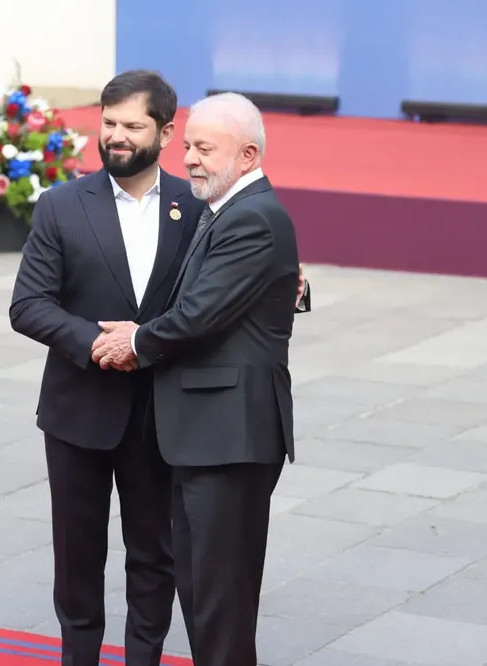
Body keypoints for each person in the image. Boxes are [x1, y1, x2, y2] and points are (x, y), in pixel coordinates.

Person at [92, 92, 306, 666]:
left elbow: (198, 315)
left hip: (229, 439)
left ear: (248, 154)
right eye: (187, 146)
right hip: (206, 437)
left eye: (204, 149)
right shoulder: (224, 209)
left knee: (220, 599)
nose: (188, 158)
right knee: (202, 589)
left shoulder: (252, 218)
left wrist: (135, 341)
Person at [8, 70, 204, 666]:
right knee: (77, 555)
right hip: (78, 413)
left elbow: (213, 301)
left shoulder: (197, 208)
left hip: (159, 415)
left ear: (165, 133)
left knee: (155, 555)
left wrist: (292, 289)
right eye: (109, 123)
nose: (116, 136)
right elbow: (28, 305)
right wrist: (101, 344)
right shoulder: (61, 205)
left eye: (132, 126)